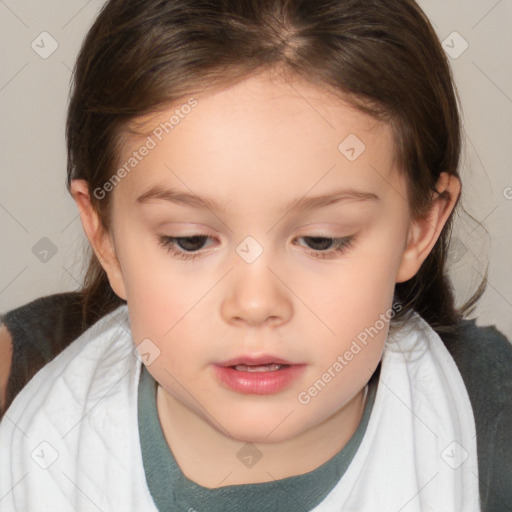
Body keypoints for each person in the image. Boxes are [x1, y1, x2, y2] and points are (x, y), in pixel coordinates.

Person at [0, 0, 510, 511]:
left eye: (321, 241)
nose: (255, 302)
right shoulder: (27, 425)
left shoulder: (490, 423)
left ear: (418, 228)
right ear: (104, 235)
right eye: (190, 241)